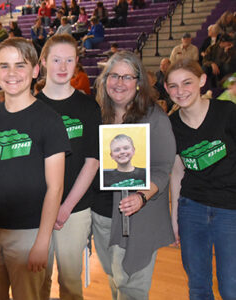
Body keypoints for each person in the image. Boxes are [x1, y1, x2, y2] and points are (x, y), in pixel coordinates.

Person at [0, 37, 71, 300]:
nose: (11, 73)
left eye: (20, 65)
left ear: (36, 70)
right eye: (4, 66)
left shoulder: (50, 120)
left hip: (29, 233)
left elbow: (55, 187)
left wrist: (42, 241)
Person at [92, 51, 176, 299]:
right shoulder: (97, 116)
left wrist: (141, 196)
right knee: (114, 281)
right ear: (105, 79)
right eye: (114, 75)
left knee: (132, 288)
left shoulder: (155, 118)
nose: (119, 83)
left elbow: (163, 168)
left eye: (127, 77)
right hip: (102, 215)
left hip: (137, 215)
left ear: (139, 83)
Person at [36, 34, 101, 300]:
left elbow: (92, 161)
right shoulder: (32, 106)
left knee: (71, 282)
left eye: (69, 60)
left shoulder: (87, 106)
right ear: (43, 63)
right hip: (37, 209)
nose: (63, 67)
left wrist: (66, 206)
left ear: (77, 63)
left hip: (74, 209)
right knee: (37, 279)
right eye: (56, 60)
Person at [166, 59, 236, 300]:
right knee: (198, 288)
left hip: (230, 209)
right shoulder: (171, 126)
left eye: (187, 83)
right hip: (191, 209)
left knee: (231, 288)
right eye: (173, 86)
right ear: (166, 89)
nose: (180, 91)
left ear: (202, 81)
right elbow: (177, 172)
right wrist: (175, 217)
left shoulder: (227, 112)